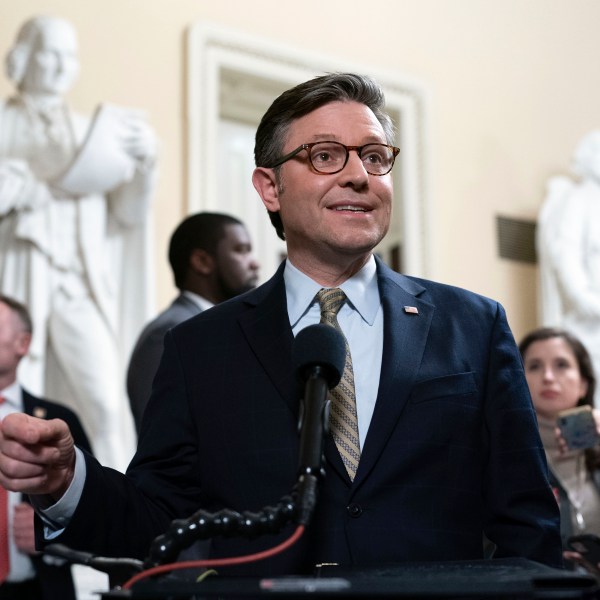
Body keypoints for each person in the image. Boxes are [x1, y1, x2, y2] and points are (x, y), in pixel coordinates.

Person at [0, 73, 561, 578]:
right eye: (324, 156)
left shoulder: (474, 325)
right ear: (270, 187)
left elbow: (527, 522)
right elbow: (157, 518)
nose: (359, 175)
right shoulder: (199, 347)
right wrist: (67, 480)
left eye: (374, 155)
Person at [0, 16, 158, 470]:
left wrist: (144, 165)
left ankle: (124, 513)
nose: (59, 67)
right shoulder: (6, 123)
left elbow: (127, 214)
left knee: (105, 403)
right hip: (19, 276)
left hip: (76, 282)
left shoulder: (93, 131)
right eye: (49, 53)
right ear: (26, 58)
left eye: (68, 56)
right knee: (13, 401)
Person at [127, 212, 259, 432]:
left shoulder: (221, 327)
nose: (254, 263)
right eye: (240, 250)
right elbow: (163, 435)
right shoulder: (168, 334)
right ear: (202, 262)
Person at [0, 295, 92, 599]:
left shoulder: (58, 422)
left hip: (39, 590)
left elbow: (97, 509)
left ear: (22, 344)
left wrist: (51, 532)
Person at [519, 327, 600, 570]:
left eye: (561, 365)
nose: (548, 377)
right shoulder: (502, 457)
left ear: (583, 385)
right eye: (534, 366)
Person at [537, 130, 600, 407]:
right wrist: (586, 301)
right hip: (587, 321)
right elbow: (566, 255)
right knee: (584, 405)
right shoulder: (579, 199)